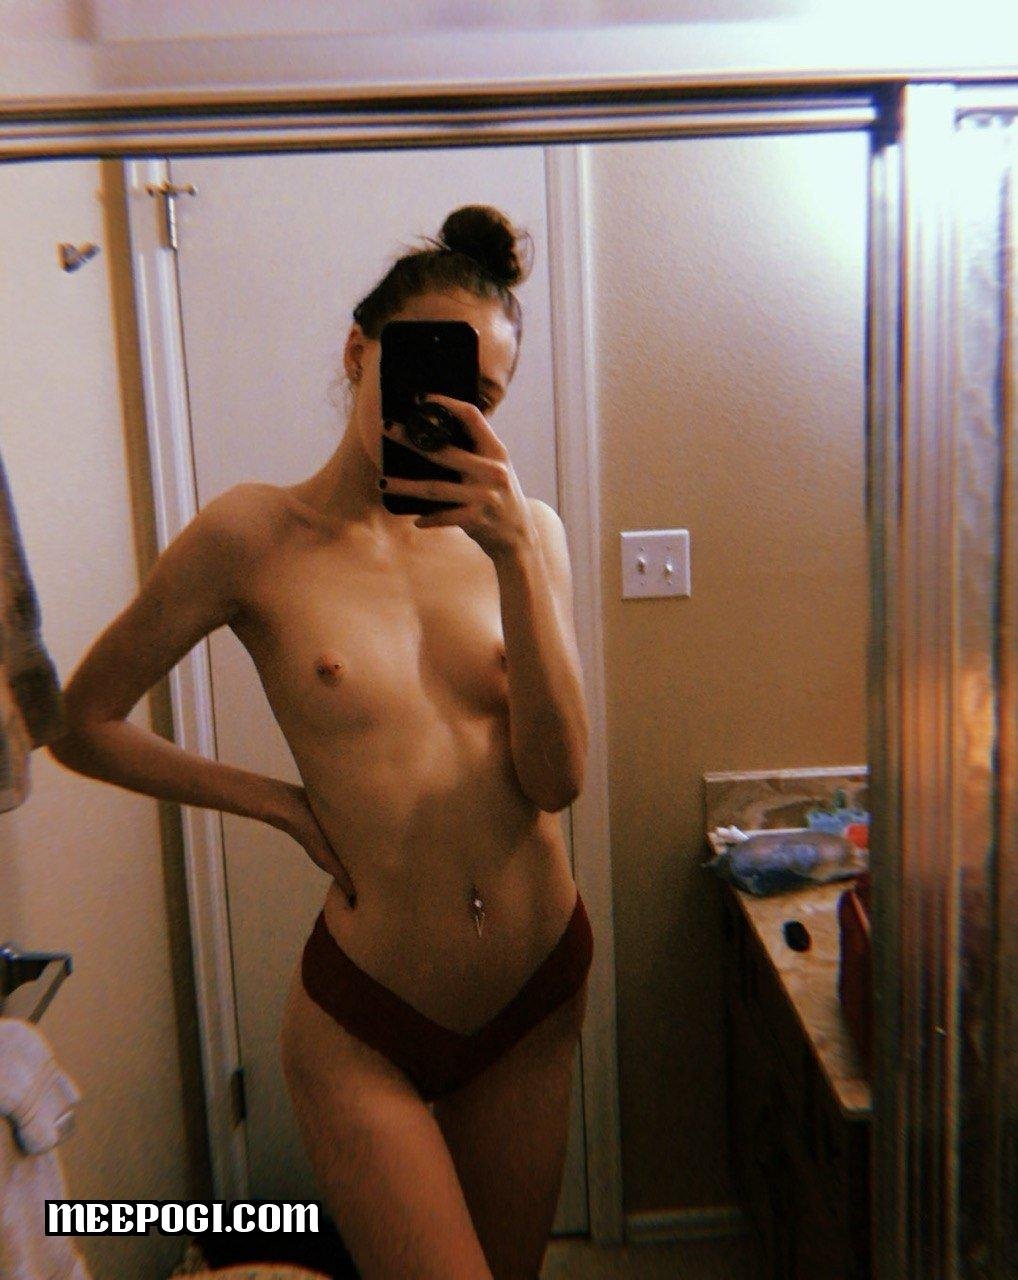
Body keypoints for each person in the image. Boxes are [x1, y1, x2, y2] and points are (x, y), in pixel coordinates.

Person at [48, 204, 593, 1280]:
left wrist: (518, 560)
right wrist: (279, 803)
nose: (447, 406)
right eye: (426, 367)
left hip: (535, 990)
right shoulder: (252, 536)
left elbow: (557, 778)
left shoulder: (529, 536)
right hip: (367, 1019)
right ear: (358, 352)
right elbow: (81, 722)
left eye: (479, 395)